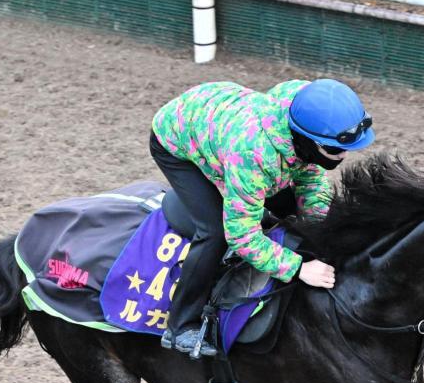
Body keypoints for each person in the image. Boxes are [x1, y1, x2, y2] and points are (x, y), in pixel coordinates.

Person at [149, 78, 375, 358]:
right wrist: (299, 268)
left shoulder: (309, 109)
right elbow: (241, 235)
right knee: (215, 232)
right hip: (177, 139)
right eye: (334, 149)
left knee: (291, 207)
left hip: (224, 125)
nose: (343, 156)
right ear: (307, 140)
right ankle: (180, 325)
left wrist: (323, 231)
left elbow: (311, 179)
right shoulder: (254, 156)